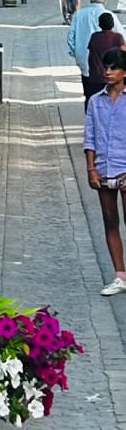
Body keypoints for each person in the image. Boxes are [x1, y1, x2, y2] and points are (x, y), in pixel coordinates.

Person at [84, 46, 126, 295]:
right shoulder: (95, 101)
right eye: (106, 67)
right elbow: (90, 136)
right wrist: (91, 169)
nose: (108, 72)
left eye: (114, 68)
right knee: (110, 221)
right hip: (103, 167)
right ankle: (120, 275)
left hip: (124, 167)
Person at [69, 0, 120, 103]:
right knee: (107, 93)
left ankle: (90, 113)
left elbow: (71, 38)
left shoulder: (79, 15)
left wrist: (76, 53)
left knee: (89, 91)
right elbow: (121, 37)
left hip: (84, 59)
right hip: (106, 62)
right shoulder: (109, 15)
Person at [88, 13, 126, 101]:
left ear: (99, 24)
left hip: (96, 77)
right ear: (112, 24)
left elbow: (91, 56)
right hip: (114, 78)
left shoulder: (94, 37)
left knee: (95, 101)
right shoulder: (117, 38)